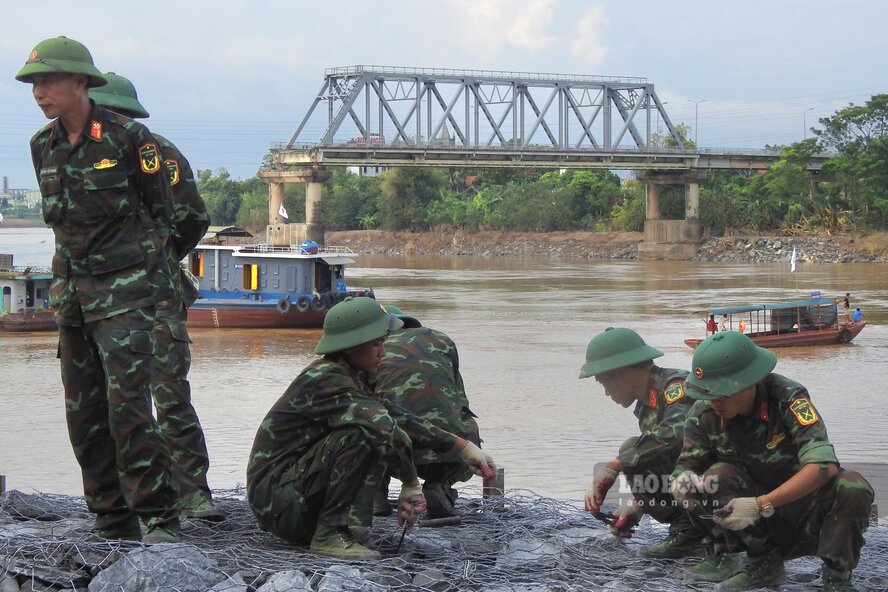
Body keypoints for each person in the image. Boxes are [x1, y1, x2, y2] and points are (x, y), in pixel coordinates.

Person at [16, 37, 182, 543]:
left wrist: (144, 283)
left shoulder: (132, 140)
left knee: (129, 408)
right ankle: (110, 515)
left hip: (125, 296)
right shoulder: (40, 146)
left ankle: (158, 518)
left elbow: (164, 217)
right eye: (34, 83)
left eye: (48, 81)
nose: (39, 92)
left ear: (80, 82)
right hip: (72, 298)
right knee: (83, 411)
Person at [246, 297, 495, 560]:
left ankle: (343, 526)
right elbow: (385, 427)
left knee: (374, 426)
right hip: (277, 503)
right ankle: (329, 533)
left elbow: (399, 417)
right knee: (364, 433)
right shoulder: (326, 379)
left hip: (294, 496)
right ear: (351, 347)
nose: (383, 352)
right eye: (377, 344)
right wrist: (411, 484)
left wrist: (464, 448)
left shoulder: (355, 377)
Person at [89, 73, 221, 521]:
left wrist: (157, 257)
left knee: (163, 392)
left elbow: (190, 218)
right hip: (103, 296)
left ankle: (189, 493)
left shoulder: (156, 153)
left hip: (151, 294)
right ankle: (136, 496)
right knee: (123, 397)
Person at [670, 331, 873, 591]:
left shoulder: (787, 398)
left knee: (852, 486)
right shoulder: (704, 412)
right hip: (753, 525)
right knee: (714, 478)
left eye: (722, 393)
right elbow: (688, 464)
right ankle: (762, 565)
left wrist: (760, 504)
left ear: (750, 382)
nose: (715, 401)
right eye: (708, 394)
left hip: (806, 514)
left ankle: (837, 577)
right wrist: (681, 479)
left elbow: (824, 466)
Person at [580, 327, 702, 558]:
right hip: (694, 480)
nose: (606, 393)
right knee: (633, 449)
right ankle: (687, 530)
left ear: (622, 372)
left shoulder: (676, 387)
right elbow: (660, 455)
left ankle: (696, 533)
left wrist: (613, 467)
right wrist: (638, 507)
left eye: (604, 383)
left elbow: (677, 435)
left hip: (731, 479)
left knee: (630, 452)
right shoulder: (647, 404)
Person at [373, 304, 483, 518]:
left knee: (373, 420)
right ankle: (439, 485)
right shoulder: (441, 339)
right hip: (451, 452)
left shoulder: (371, 350)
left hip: (396, 453)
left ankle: (376, 497)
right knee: (466, 422)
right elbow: (460, 400)